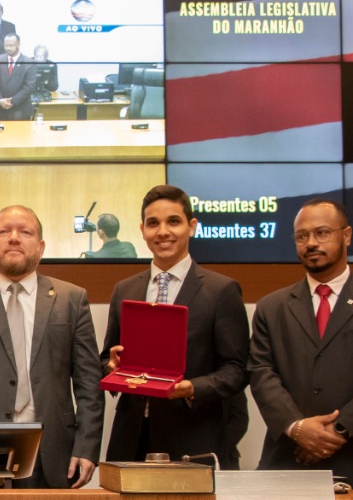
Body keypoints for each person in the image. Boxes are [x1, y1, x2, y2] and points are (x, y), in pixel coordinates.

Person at [249, 198, 353, 488]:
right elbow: (261, 374)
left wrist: (335, 432)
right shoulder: (271, 307)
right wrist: (298, 428)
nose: (311, 243)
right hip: (290, 460)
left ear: (347, 235)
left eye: (322, 232)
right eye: (302, 236)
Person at [0, 205, 104, 488]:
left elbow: (89, 382)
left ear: (40, 247)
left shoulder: (71, 300)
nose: (14, 238)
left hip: (52, 450)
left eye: (25, 232)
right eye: (4, 232)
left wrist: (86, 447)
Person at [101, 185, 250, 468]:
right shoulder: (124, 290)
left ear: (191, 227)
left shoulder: (221, 291)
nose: (163, 232)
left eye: (173, 222)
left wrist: (191, 388)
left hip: (193, 438)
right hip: (131, 441)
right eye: (153, 223)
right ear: (142, 230)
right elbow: (106, 357)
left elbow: (237, 369)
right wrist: (111, 366)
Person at [0, 34, 37, 121]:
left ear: (18, 44)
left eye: (11, 45)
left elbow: (29, 87)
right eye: (6, 45)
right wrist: (0, 100)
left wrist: (12, 101)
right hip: (0, 110)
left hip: (21, 110)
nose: (8, 48)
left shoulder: (29, 63)